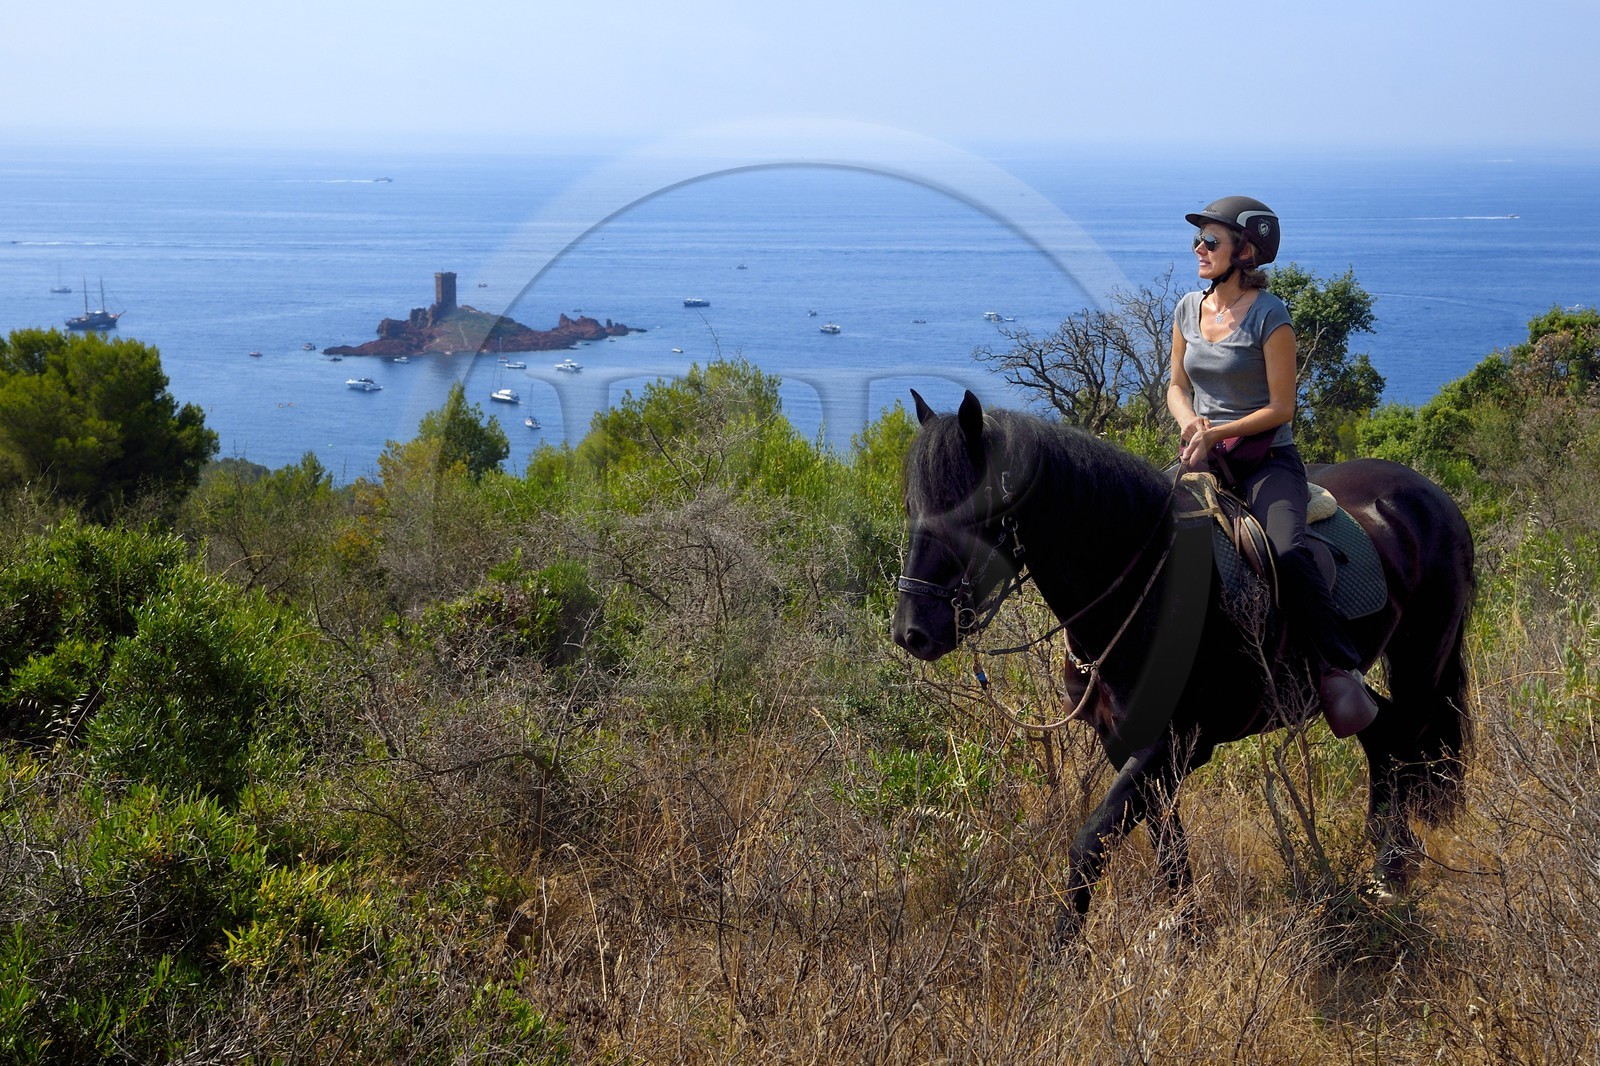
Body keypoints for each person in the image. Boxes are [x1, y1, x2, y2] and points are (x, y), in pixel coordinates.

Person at [1166, 195, 1379, 738]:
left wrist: (1219, 431)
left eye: (1211, 241)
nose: (1199, 248)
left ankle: (1338, 667)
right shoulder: (1188, 308)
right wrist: (1193, 424)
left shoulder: (1270, 314)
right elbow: (1176, 386)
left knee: (1285, 550)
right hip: (1205, 456)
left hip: (1266, 461)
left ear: (1245, 251)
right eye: (1198, 240)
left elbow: (1281, 408)